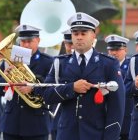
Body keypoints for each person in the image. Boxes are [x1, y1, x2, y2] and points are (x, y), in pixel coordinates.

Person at [35, 12, 125, 140]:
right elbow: (47, 95)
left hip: (95, 134)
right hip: (67, 134)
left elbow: (117, 106)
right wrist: (71, 88)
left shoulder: (108, 64)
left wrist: (110, 136)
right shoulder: (61, 63)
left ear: (93, 35)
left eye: (83, 33)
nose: (79, 37)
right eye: (75, 34)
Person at [0, 24, 53, 140]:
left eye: (30, 41)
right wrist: (6, 76)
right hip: (12, 123)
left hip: (36, 123)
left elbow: (51, 86)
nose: (26, 45)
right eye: (23, 41)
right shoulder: (9, 61)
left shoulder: (48, 61)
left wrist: (32, 87)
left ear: (38, 40)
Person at [104, 34, 132, 140]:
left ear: (125, 50)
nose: (113, 53)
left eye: (117, 49)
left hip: (126, 116)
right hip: (108, 115)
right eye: (111, 50)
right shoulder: (104, 65)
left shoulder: (131, 65)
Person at [50, 29, 74, 140]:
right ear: (65, 44)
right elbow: (47, 91)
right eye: (69, 43)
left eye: (73, 43)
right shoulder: (58, 62)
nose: (72, 46)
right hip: (60, 117)